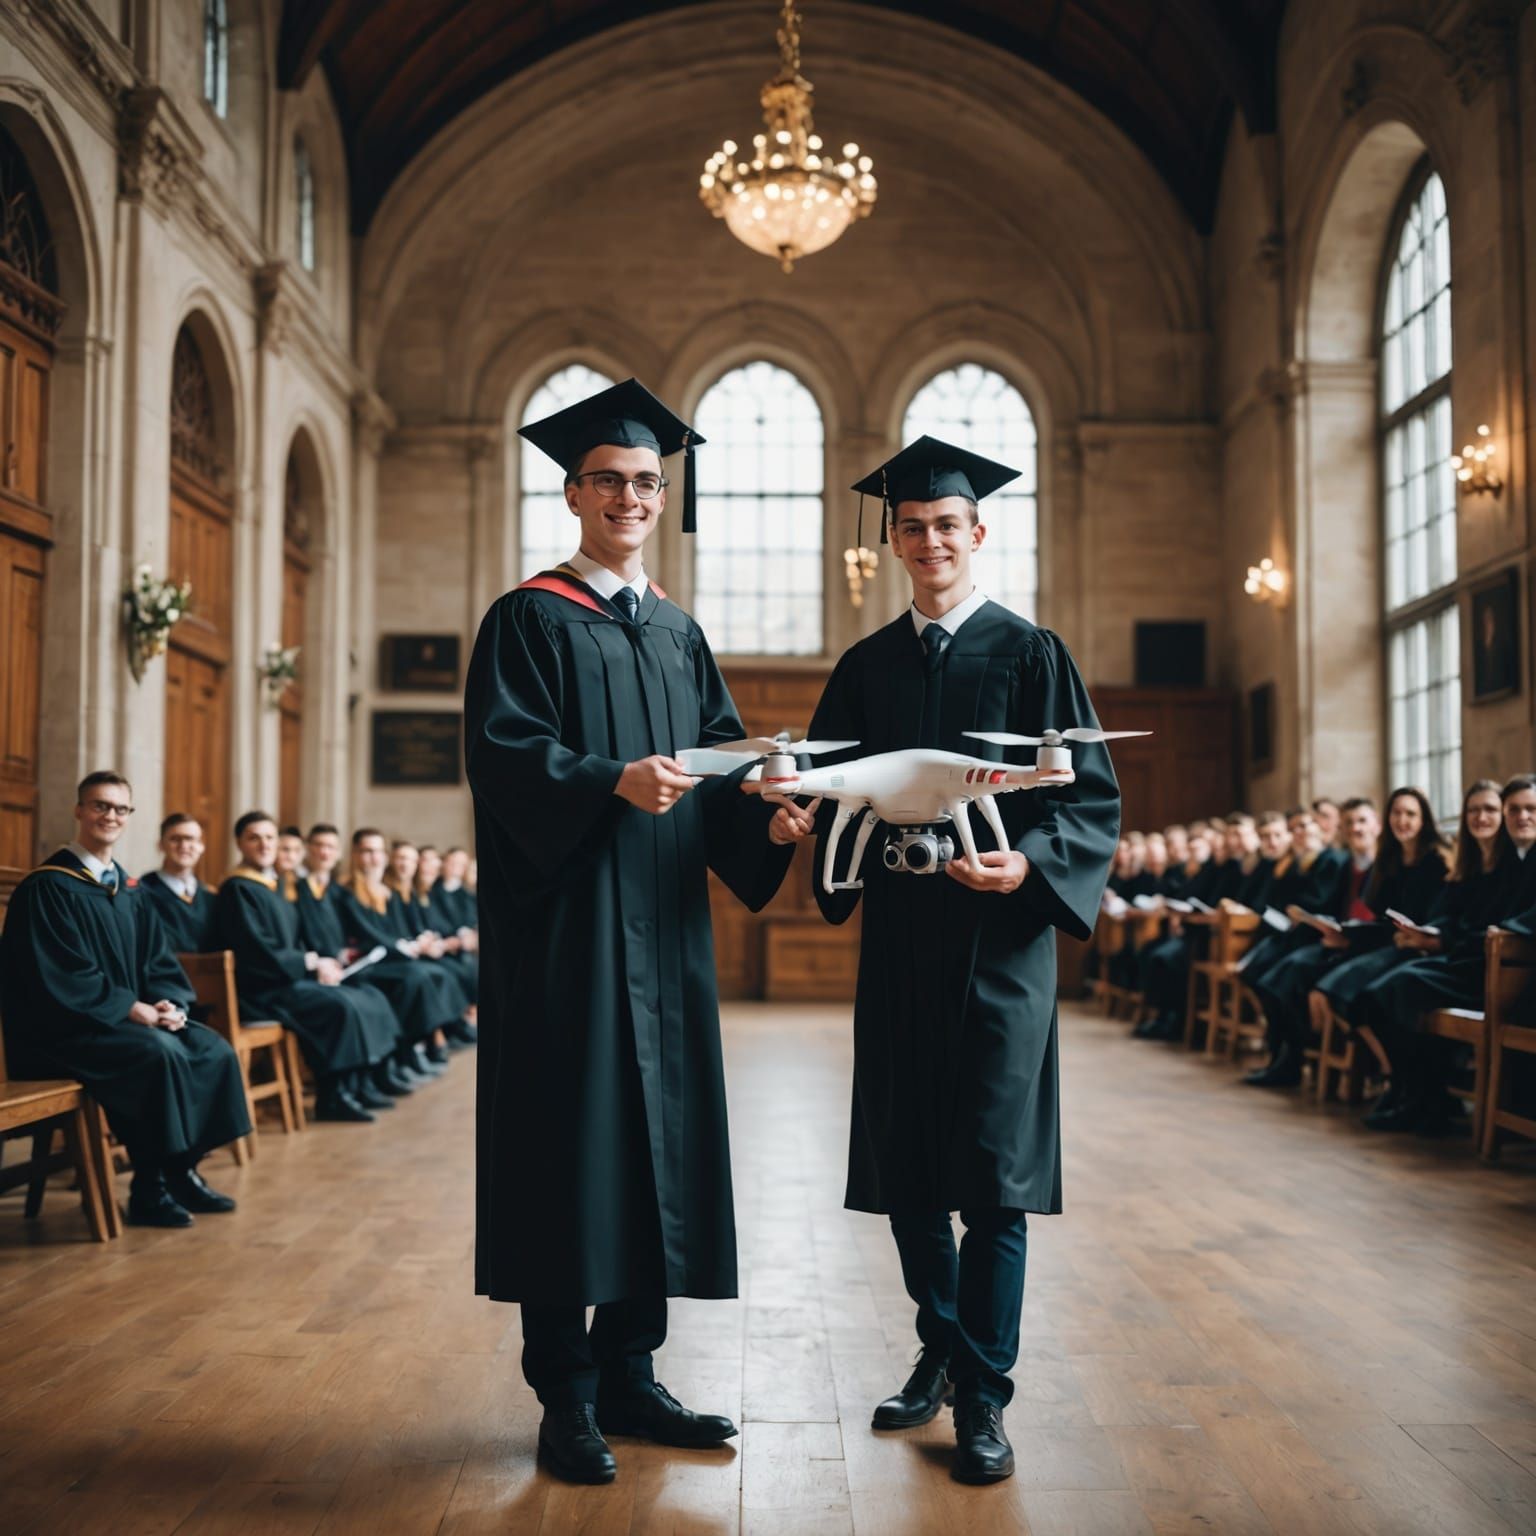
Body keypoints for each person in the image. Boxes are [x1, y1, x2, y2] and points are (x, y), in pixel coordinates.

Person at [465, 378, 804, 1484]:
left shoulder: (676, 632)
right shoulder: (529, 618)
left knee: (659, 1145)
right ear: (572, 490)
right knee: (573, 1150)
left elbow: (710, 768)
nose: (630, 496)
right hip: (568, 936)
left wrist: (771, 814)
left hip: (666, 933)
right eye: (609, 479)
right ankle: (564, 1393)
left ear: (665, 497)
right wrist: (610, 781)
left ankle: (633, 1373)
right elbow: (509, 764)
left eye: (648, 482)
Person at [796, 437, 1118, 1486]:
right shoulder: (866, 668)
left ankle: (983, 1395)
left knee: (993, 1175)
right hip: (899, 939)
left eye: (947, 525)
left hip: (999, 947)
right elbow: (828, 793)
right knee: (908, 1166)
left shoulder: (1034, 655)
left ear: (978, 533)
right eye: (910, 526)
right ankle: (939, 1342)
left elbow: (1090, 797)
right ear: (890, 540)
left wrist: (1025, 866)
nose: (929, 540)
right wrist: (798, 810)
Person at [0, 772, 249, 1227]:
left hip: (120, 1020)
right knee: (157, 1054)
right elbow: (60, 975)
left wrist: (171, 1003)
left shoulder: (129, 889)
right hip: (63, 1031)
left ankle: (181, 1169)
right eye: (99, 805)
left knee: (211, 1048)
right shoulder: (49, 887)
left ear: (129, 817)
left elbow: (158, 960)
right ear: (79, 811)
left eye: (119, 808)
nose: (109, 815)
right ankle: (149, 1188)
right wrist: (131, 1008)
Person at [1355, 777, 1535, 1133]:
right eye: (1514, 809)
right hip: (1474, 958)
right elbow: (1460, 916)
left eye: (1528, 809)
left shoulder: (1518, 861)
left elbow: (1506, 924)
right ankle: (1419, 1095)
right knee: (1384, 991)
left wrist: (1457, 940)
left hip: (1498, 969)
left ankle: (1425, 1099)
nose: (1520, 816)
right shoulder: (1509, 858)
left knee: (1400, 987)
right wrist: (1435, 935)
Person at [215, 811, 401, 1123]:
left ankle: (355, 1084)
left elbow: (296, 942)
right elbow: (257, 951)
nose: (264, 844)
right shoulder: (238, 889)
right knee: (338, 1005)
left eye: (270, 837)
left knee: (360, 995)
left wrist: (320, 965)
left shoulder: (273, 885)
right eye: (254, 838)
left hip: (286, 981)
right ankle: (332, 1096)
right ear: (239, 843)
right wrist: (309, 963)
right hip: (261, 990)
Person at [1242, 796, 1379, 1087]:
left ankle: (1293, 1057)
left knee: (1285, 975)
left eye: (1362, 821)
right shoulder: (1319, 862)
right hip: (1324, 937)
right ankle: (1283, 1055)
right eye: (1350, 823)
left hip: (1339, 941)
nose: (1356, 829)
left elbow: (1328, 903)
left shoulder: (1337, 859)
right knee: (1270, 977)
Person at [1304, 786, 1449, 1060]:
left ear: (1423, 819)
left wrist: (1418, 936)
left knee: (1362, 996)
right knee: (1330, 989)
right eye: (1396, 813)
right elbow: (1383, 920)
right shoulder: (1390, 860)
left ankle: (1392, 1075)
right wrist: (1348, 937)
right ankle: (1389, 1073)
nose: (1402, 820)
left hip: (1420, 949)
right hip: (1392, 944)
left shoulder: (1438, 859)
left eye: (1410, 814)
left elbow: (1439, 917)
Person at [290, 823, 415, 1110]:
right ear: (308, 850)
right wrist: (321, 961)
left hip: (336, 967)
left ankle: (363, 1080)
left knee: (374, 998)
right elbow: (303, 937)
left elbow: (338, 937)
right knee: (351, 1004)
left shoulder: (330, 890)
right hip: (312, 972)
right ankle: (336, 1092)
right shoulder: (299, 890)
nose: (324, 852)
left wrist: (342, 954)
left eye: (331, 846)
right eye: (318, 845)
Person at [337, 828, 469, 1078]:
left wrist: (411, 943)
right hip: (369, 963)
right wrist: (403, 947)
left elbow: (396, 931)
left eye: (377, 851)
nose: (374, 857)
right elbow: (367, 935)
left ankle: (410, 1048)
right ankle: (405, 1052)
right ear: (355, 854)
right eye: (366, 851)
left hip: (389, 958)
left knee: (421, 974)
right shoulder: (348, 891)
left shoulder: (385, 891)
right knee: (415, 977)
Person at [139, 812, 220, 952]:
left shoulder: (211, 896)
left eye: (190, 839)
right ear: (160, 845)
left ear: (201, 847)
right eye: (175, 839)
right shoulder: (141, 892)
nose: (184, 845)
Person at [274, 826, 306, 902]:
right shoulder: (266, 881)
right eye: (285, 849)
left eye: (297, 850)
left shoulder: (303, 883)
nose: (291, 857)